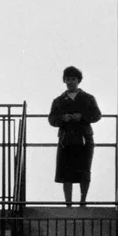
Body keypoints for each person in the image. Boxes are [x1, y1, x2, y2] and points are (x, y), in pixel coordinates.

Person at [48, 66, 101, 207]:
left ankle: (83, 201)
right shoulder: (58, 100)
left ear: (78, 81)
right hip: (66, 139)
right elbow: (52, 119)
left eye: (73, 79)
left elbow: (97, 115)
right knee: (66, 172)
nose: (70, 82)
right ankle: (68, 203)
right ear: (64, 80)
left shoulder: (88, 98)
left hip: (84, 139)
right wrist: (62, 118)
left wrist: (82, 117)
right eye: (68, 79)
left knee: (84, 170)